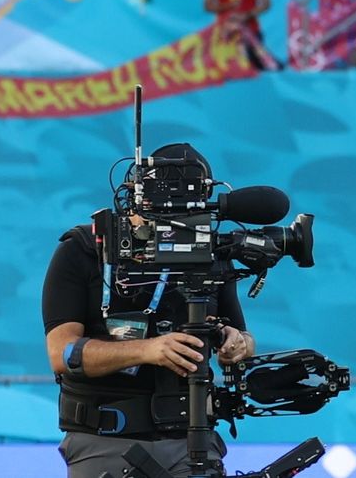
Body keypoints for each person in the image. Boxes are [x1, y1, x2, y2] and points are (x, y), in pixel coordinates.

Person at [42, 143, 255, 478]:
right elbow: (62, 352)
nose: (177, 225)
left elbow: (242, 335)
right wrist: (148, 350)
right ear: (138, 198)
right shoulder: (83, 250)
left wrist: (237, 343)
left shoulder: (211, 252)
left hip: (191, 436)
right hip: (106, 439)